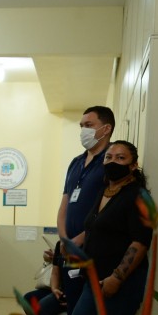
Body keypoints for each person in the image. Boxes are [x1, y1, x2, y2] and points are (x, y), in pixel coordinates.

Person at [64, 140, 154, 315]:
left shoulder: (139, 197)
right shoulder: (105, 191)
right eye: (109, 157)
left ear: (133, 165)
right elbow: (93, 230)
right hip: (93, 279)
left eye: (121, 158)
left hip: (122, 283)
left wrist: (117, 277)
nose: (113, 161)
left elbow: (140, 242)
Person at [57, 106, 115, 253]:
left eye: (89, 125)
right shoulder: (76, 162)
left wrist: (82, 238)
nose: (83, 131)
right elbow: (64, 205)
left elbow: (111, 209)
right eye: (81, 126)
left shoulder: (111, 162)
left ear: (106, 129)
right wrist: (64, 239)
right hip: (69, 247)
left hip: (96, 245)